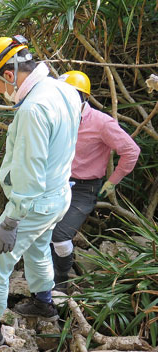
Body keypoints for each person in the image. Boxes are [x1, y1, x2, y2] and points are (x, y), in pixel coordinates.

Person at [0, 35, 82, 347]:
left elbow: (28, 173)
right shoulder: (64, 89)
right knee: (38, 249)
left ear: (9, 75)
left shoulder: (33, 110)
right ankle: (43, 302)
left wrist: (11, 221)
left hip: (33, 204)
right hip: (59, 194)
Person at [51, 71, 140, 291]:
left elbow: (131, 151)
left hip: (84, 188)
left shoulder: (101, 123)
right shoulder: (58, 117)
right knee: (42, 230)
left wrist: (113, 181)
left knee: (60, 235)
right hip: (57, 181)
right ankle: (46, 279)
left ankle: (62, 280)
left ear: (82, 98)